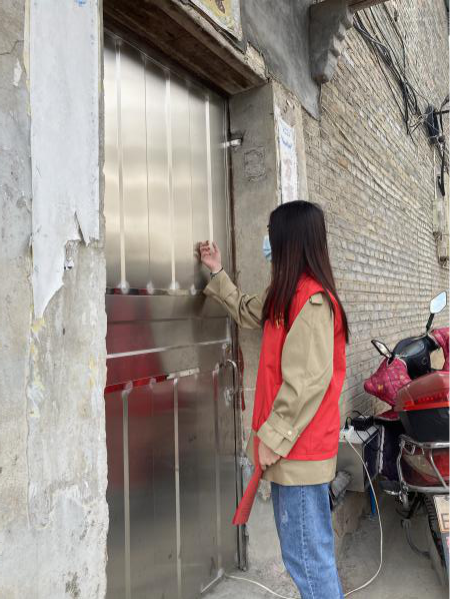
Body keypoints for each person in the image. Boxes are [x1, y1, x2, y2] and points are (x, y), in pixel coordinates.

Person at [199, 200, 349, 599]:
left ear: (290, 240)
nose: (267, 242)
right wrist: (216, 271)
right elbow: (247, 310)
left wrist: (272, 438)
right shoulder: (287, 294)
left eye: (271, 234)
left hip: (299, 452)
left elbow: (306, 383)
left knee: (308, 562)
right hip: (292, 449)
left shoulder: (312, 300)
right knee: (306, 558)